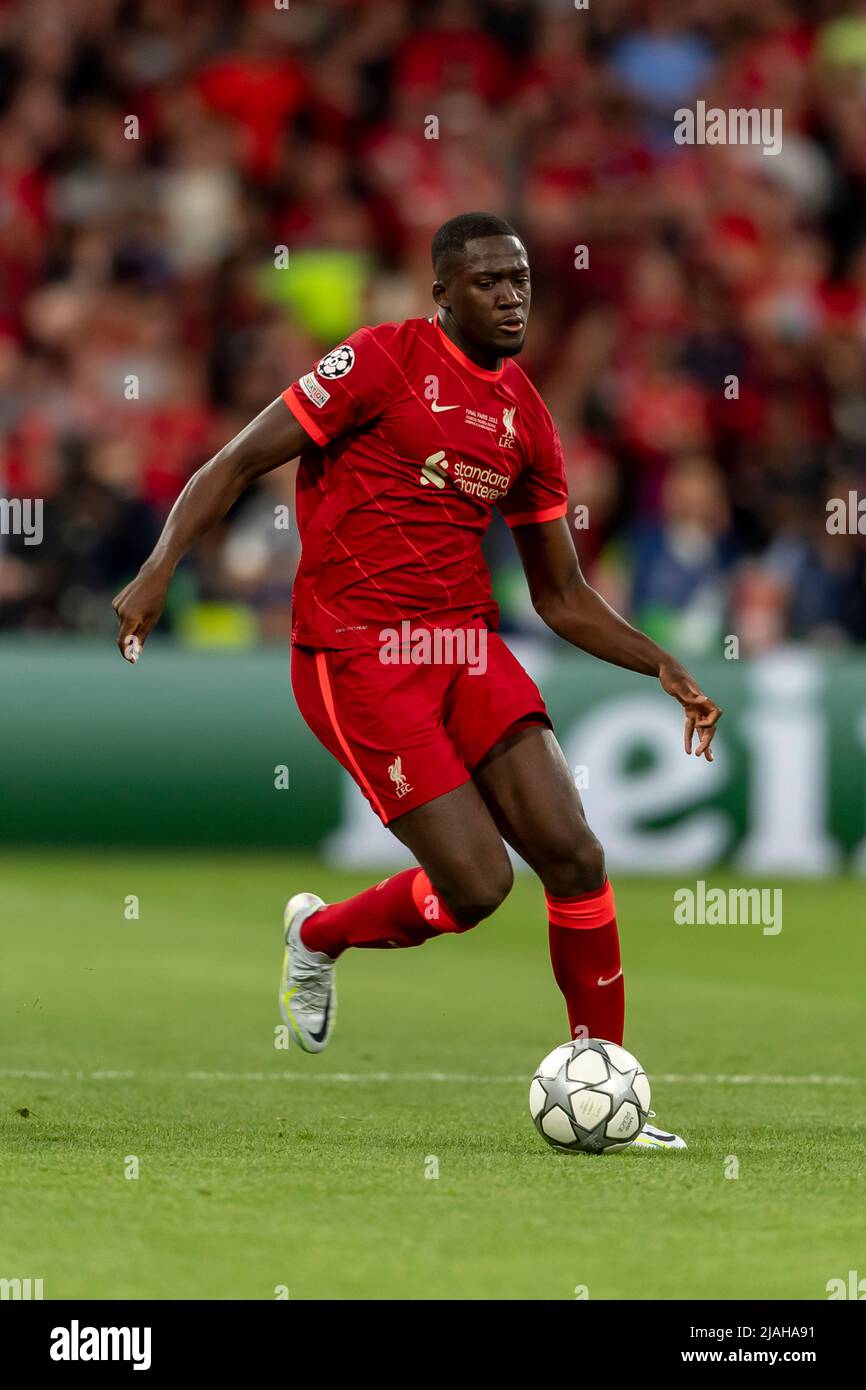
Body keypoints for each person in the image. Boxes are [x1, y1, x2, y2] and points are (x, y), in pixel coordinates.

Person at [113, 212, 722, 1150]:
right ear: (441, 291)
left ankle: (608, 1089)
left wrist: (661, 663)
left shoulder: (526, 416)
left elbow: (561, 595)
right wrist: (159, 571)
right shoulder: (379, 362)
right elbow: (235, 461)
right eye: (488, 281)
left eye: (521, 279)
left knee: (575, 855)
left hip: (466, 648)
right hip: (355, 655)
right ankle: (318, 938)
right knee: (478, 888)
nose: (512, 295)